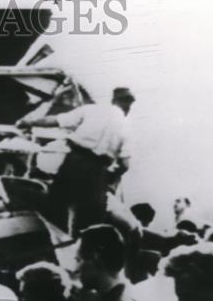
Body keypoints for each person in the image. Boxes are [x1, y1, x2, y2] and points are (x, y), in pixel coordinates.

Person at [22, 87, 135, 232]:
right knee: (91, 220)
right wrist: (109, 178)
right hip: (98, 171)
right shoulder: (126, 127)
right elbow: (125, 165)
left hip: (75, 162)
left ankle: (56, 242)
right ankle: (81, 247)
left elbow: (55, 120)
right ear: (129, 105)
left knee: (57, 206)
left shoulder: (91, 110)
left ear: (113, 99)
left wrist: (27, 122)